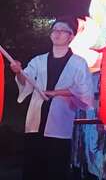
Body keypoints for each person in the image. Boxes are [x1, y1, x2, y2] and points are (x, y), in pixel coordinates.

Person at [9, 16, 94, 180]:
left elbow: (84, 94)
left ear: (71, 37)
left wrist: (58, 92)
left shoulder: (78, 63)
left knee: (56, 170)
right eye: (55, 30)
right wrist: (18, 72)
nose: (57, 33)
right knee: (33, 169)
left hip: (59, 124)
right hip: (36, 122)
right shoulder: (38, 60)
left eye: (63, 31)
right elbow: (25, 83)